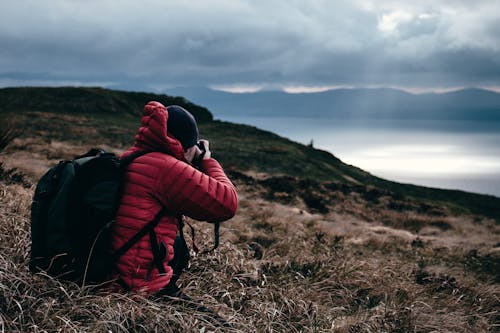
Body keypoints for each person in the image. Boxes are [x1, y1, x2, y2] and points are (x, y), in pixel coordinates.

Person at [110, 101, 238, 296]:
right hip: (137, 285)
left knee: (178, 246)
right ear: (185, 145)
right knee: (220, 327)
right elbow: (227, 203)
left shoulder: (134, 155)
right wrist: (207, 161)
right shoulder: (166, 168)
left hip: (111, 271)